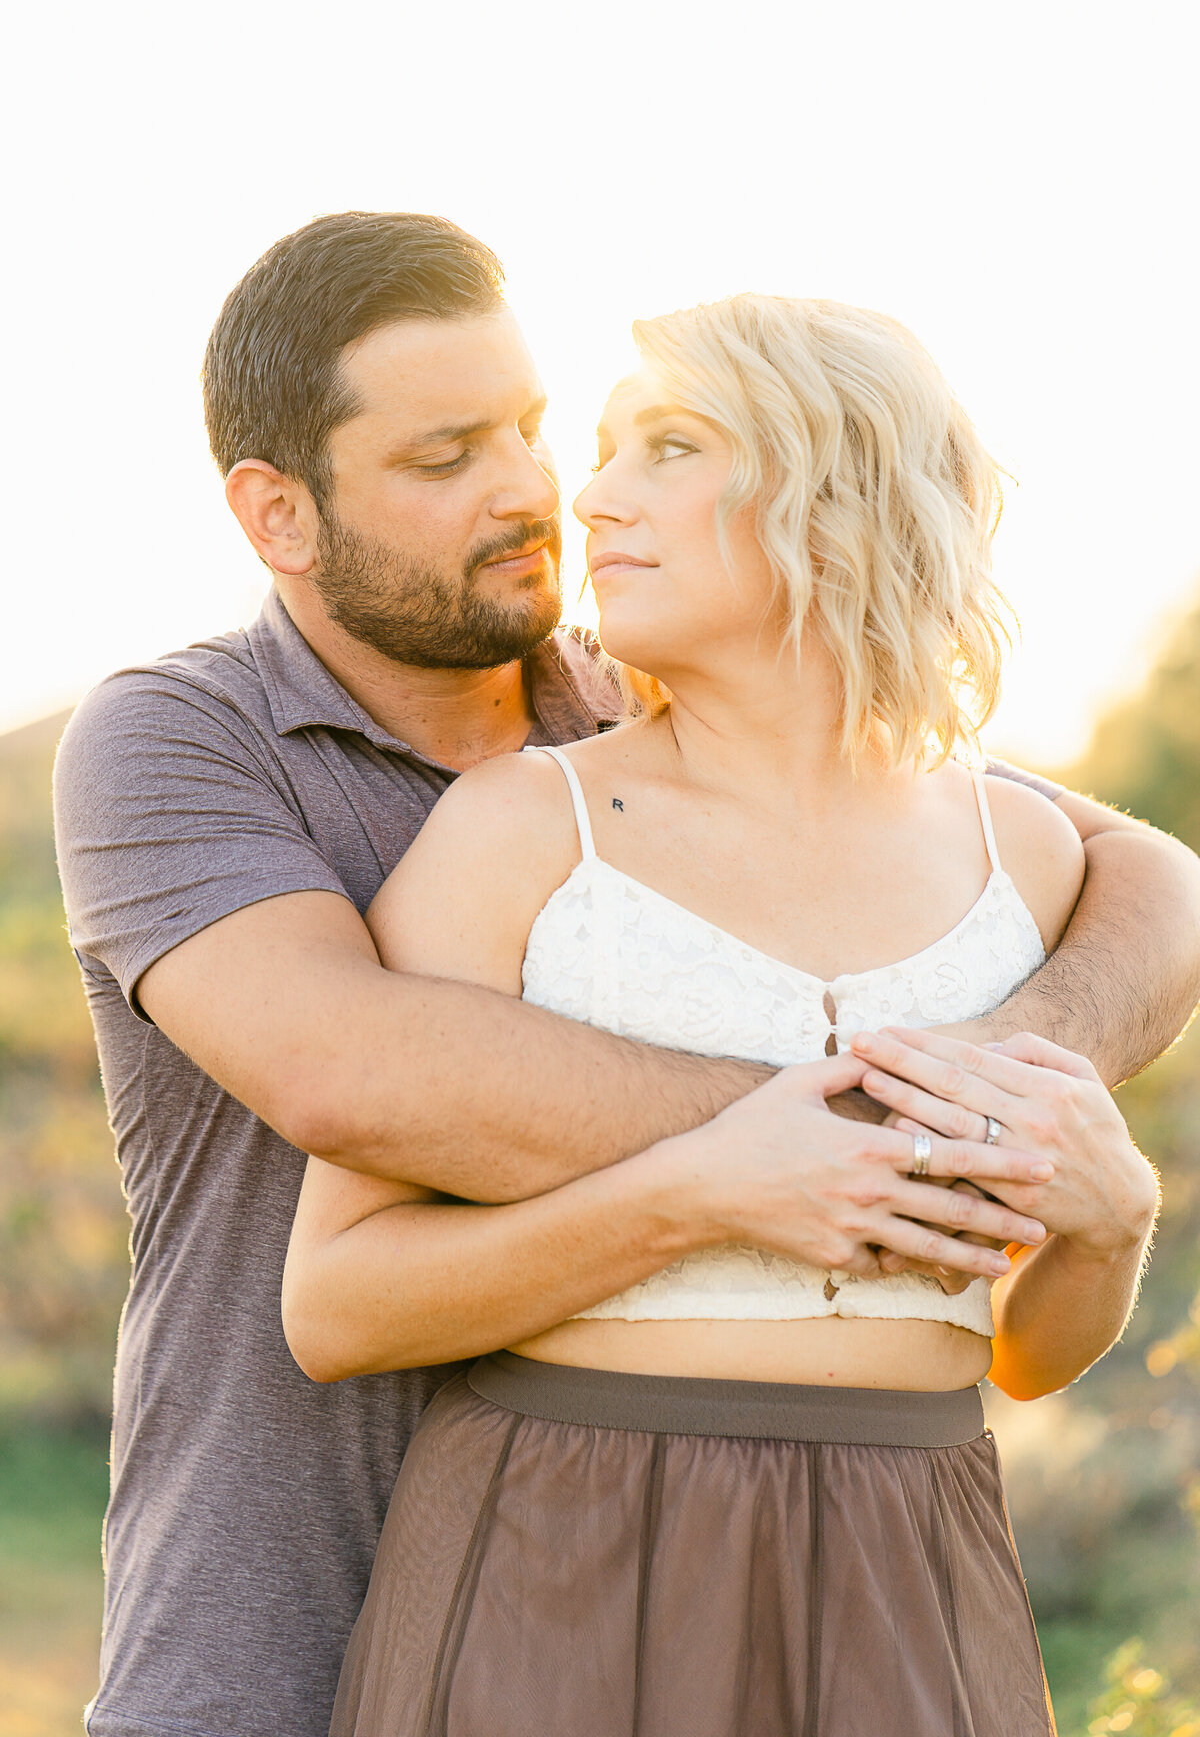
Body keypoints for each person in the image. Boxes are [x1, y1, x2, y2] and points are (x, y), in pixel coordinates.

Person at [51, 216, 1199, 1737]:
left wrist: (1016, 1097)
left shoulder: (649, 706)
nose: (540, 490)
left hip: (874, 1564)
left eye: (533, 430)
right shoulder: (183, 741)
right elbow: (353, 1075)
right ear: (281, 513)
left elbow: (1150, 875)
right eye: (448, 455)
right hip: (287, 1600)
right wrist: (841, 1138)